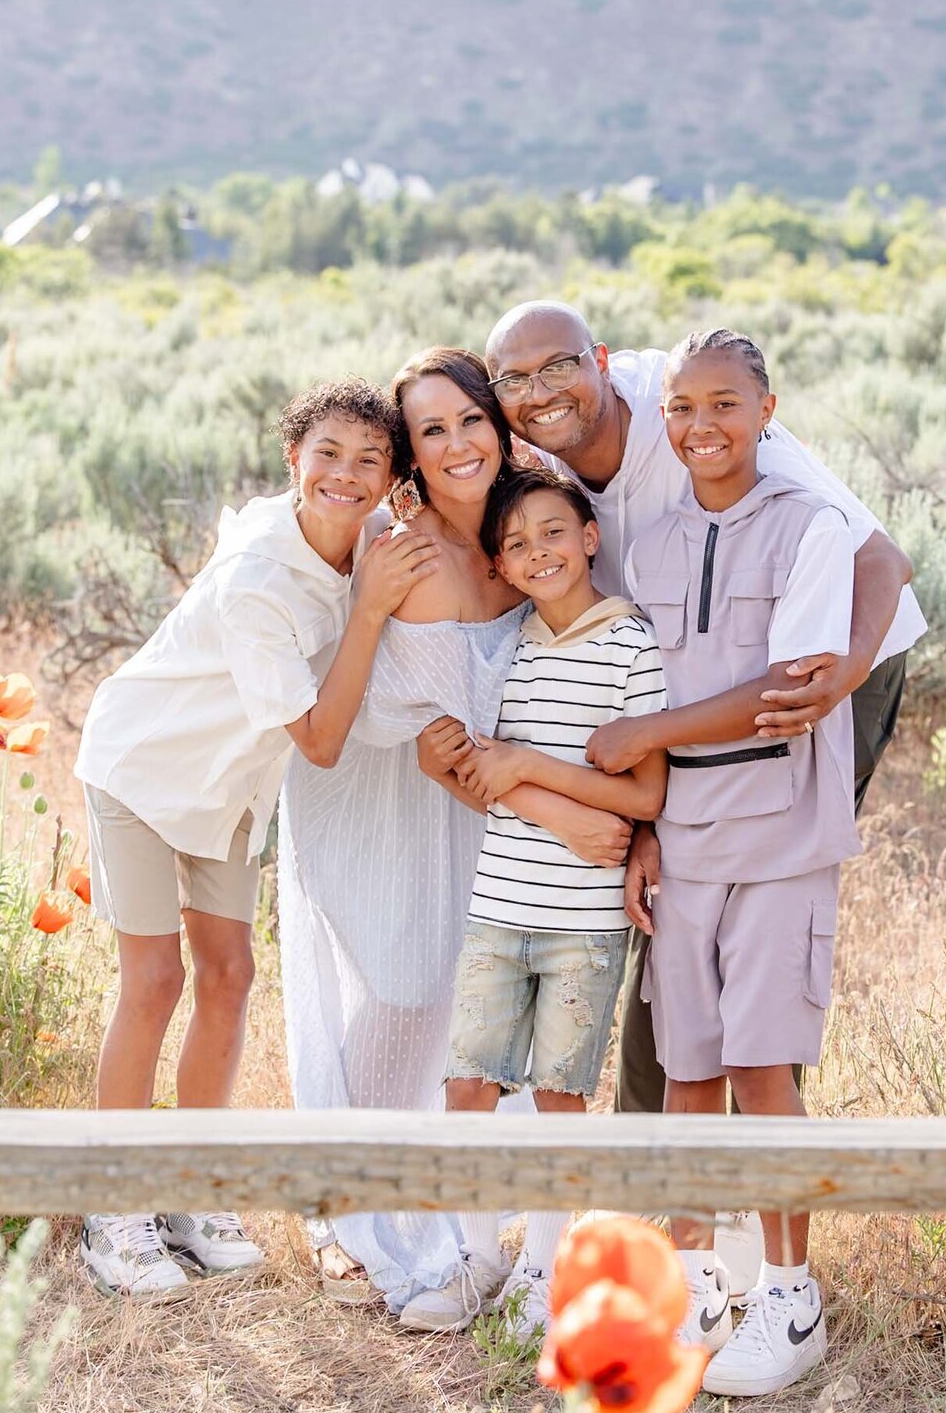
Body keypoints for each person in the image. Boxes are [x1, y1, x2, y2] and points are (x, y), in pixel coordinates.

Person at [483, 302, 924, 1132]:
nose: (541, 391)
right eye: (516, 379)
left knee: (763, 909)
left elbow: (880, 558)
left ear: (603, 362)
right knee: (669, 903)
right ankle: (668, 1191)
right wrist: (652, 806)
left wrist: (833, 681)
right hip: (690, 692)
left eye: (560, 367)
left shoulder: (696, 401)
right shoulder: (536, 455)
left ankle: (748, 1167)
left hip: (830, 657)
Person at [277, 351, 633, 1322]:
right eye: (430, 432)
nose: (455, 444)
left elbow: (519, 721)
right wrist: (566, 816)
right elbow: (449, 748)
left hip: (480, 795)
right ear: (412, 454)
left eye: (468, 420)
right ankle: (350, 1207)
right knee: (395, 995)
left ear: (499, 424)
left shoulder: (529, 532)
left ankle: (484, 1236)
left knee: (470, 1025)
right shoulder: (411, 551)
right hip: (380, 786)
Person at [74, 379, 436, 1298]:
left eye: (369, 460)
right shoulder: (259, 583)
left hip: (227, 795)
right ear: (293, 461)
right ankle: (111, 1207)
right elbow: (317, 741)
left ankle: (197, 1188)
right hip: (146, 774)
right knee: (154, 980)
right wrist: (367, 612)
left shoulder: (371, 545)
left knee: (230, 978)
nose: (345, 476)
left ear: (394, 479)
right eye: (327, 456)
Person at [587, 329, 860, 1396]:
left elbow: (789, 686)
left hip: (781, 829)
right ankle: (694, 1282)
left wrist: (649, 735)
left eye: (726, 406)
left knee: (760, 1066)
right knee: (690, 1067)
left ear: (767, 410)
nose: (703, 426)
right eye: (683, 408)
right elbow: (642, 691)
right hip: (687, 836)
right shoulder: (650, 546)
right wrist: (647, 824)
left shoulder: (812, 530)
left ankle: (789, 1300)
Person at [401, 467, 668, 1336]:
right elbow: (463, 761)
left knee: (560, 1097)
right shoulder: (511, 648)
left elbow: (645, 796)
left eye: (553, 532)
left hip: (584, 925)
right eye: (515, 544)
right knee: (467, 1085)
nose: (536, 552)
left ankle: (544, 1269)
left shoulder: (633, 644)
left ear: (590, 539)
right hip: (498, 906)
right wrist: (520, 783)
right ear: (503, 569)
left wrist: (525, 767)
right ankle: (476, 1257)